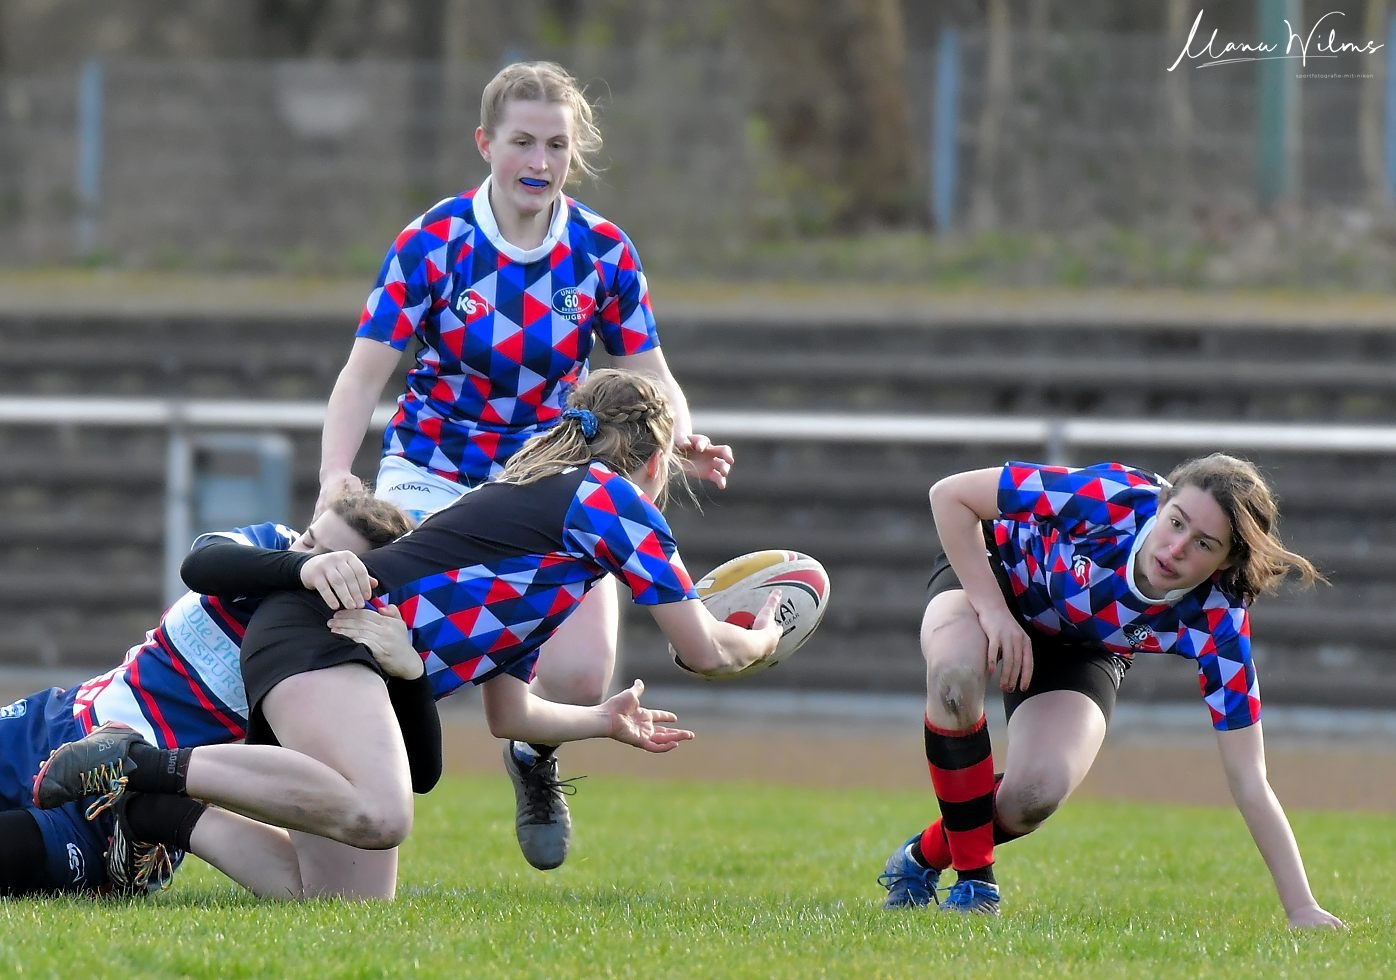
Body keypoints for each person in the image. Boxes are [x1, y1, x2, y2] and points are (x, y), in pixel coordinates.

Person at [36, 369, 782, 901]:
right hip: (324, 633)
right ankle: (137, 761)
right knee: (384, 813)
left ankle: (154, 810)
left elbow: (509, 715)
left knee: (342, 901)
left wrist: (602, 722)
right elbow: (706, 650)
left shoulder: (550, 557)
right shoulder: (607, 501)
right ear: (653, 463)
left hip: (331, 650)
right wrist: (767, 634)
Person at [314, 59, 733, 873]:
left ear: (575, 152)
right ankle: (344, 790)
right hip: (433, 473)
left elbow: (650, 373)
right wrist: (337, 475)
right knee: (385, 638)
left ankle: (533, 758)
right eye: (522, 142)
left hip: (553, 480)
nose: (539, 161)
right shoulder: (433, 242)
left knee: (580, 676)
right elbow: (361, 376)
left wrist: (681, 434)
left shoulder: (603, 250)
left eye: (556, 145)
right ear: (486, 143)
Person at [876, 454, 1345, 928]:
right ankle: (977, 882)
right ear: (1162, 503)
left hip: (1084, 644)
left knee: (1036, 794)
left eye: (1204, 543)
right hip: (995, 575)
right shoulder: (1108, 498)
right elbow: (949, 496)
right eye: (1176, 522)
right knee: (955, 676)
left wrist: (1301, 907)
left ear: (1227, 562)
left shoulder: (1218, 619)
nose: (1177, 548)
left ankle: (920, 857)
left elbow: (1250, 777)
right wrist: (994, 613)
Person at [0, 490, 415, 898]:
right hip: (55, 722)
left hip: (110, 803)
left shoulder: (344, 639)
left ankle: (149, 820)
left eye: (335, 562)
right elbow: (200, 564)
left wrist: (409, 675)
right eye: (310, 540)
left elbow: (406, 774)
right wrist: (303, 566)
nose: (312, 557)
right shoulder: (270, 546)